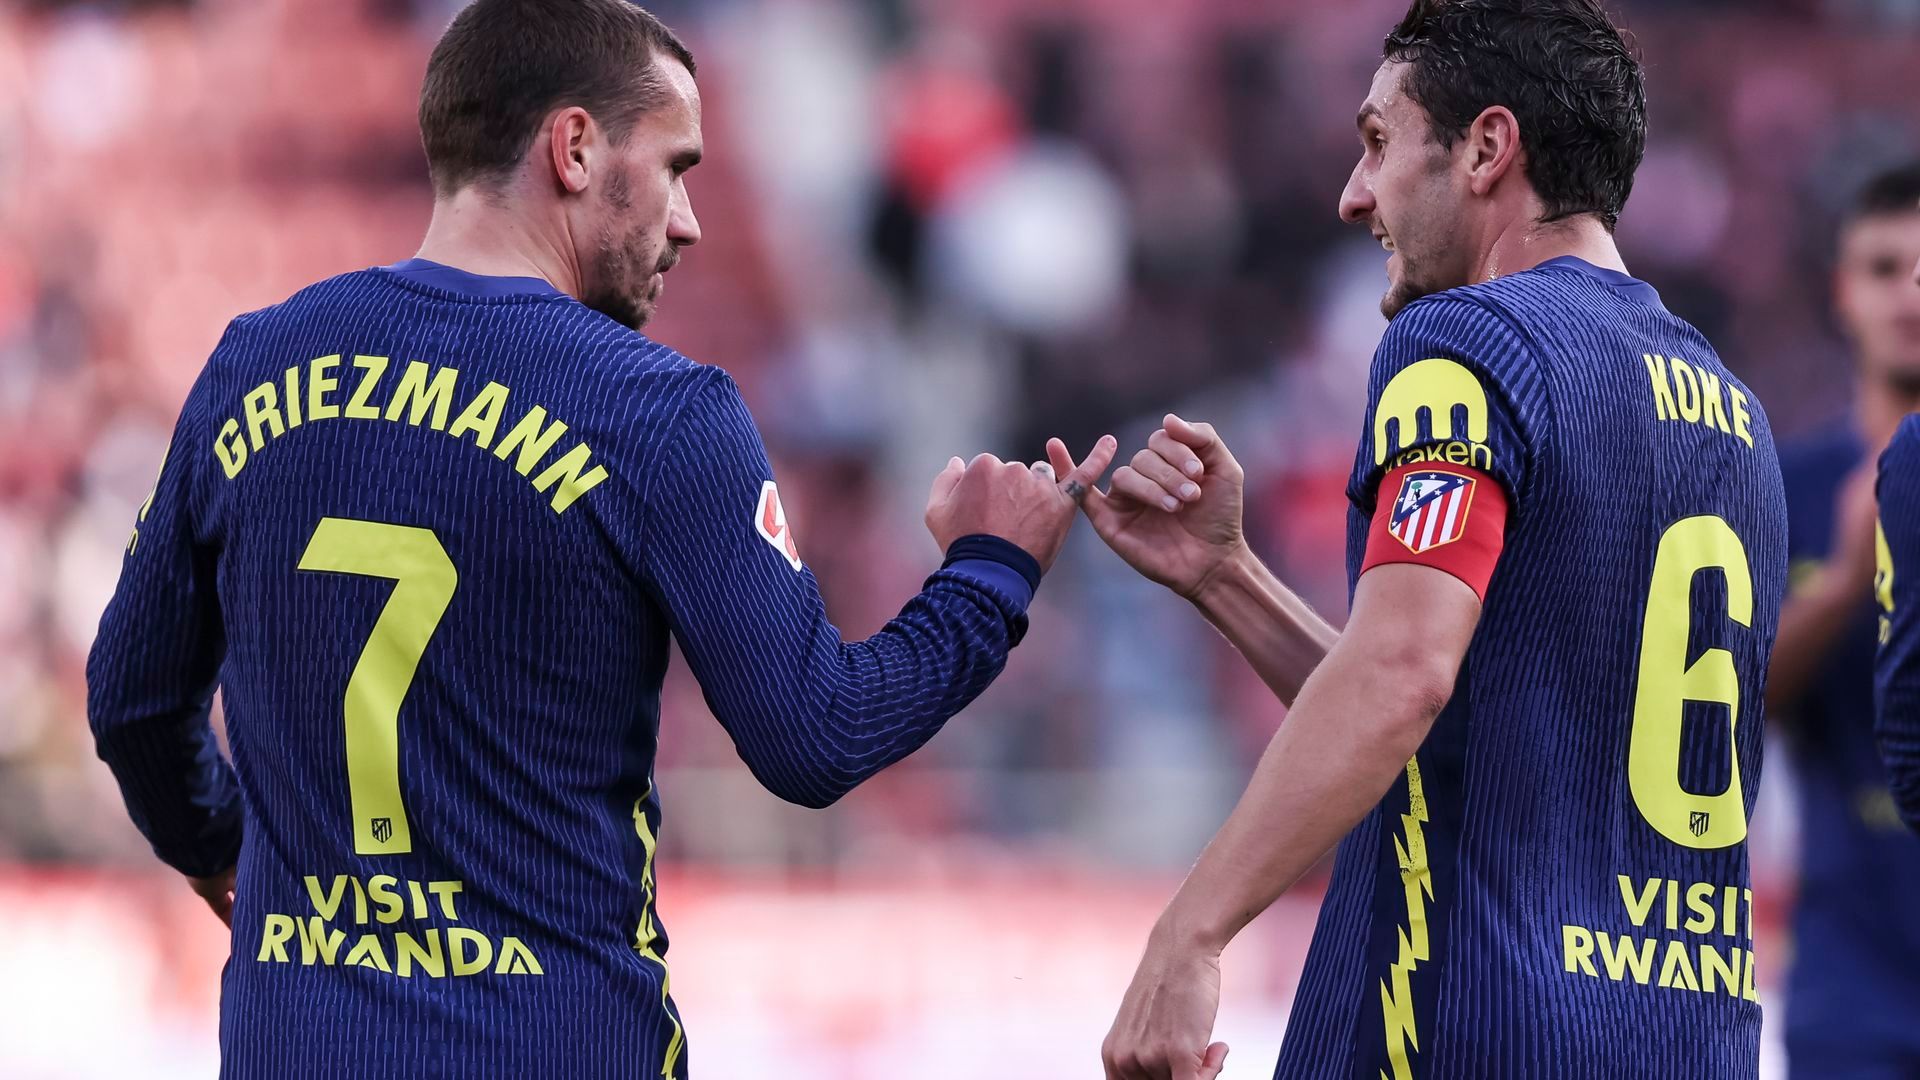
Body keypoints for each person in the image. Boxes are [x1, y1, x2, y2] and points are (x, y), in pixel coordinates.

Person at [84, 2, 1113, 1077]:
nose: (690, 222)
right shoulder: (658, 412)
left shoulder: (253, 364)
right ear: (573, 149)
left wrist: (217, 848)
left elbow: (133, 700)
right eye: (673, 167)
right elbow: (817, 737)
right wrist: (989, 576)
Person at [1072, 1, 1787, 1076]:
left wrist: (1194, 930)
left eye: (1378, 143)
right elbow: (1463, 728)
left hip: (1469, 1022)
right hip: (1693, 1038)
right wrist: (1231, 579)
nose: (1354, 193)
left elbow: (1404, 672)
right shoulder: (1738, 414)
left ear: (1488, 149)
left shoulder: (1465, 340)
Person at [1765, 164, 1920, 1078]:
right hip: (1851, 986)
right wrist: (1849, 576)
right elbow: (1725, 709)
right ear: (1841, 292)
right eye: (1882, 267)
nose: (1908, 294)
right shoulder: (1782, 487)